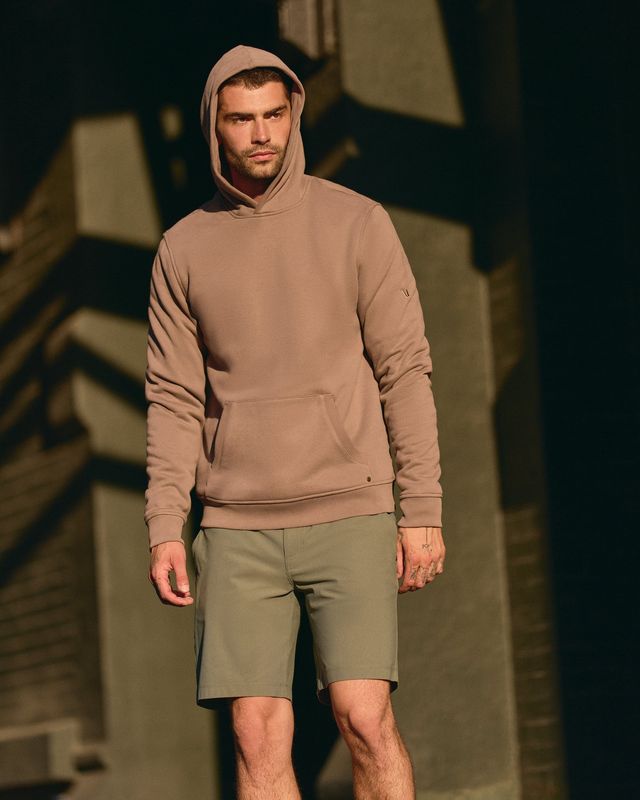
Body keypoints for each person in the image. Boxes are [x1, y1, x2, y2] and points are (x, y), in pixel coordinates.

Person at [144, 44, 446, 800]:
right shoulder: (183, 248)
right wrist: (164, 524)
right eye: (241, 119)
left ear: (294, 115)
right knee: (255, 734)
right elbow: (174, 397)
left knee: (364, 718)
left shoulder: (356, 222)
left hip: (349, 509)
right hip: (235, 525)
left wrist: (422, 509)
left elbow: (404, 370)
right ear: (215, 126)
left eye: (274, 115)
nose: (261, 134)